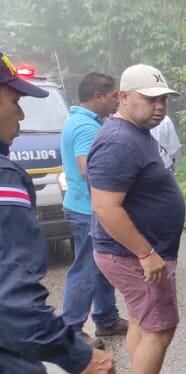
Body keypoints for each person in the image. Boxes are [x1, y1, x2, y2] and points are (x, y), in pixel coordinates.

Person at [1, 50, 116, 374]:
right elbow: (11, 300)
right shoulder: (4, 178)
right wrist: (76, 355)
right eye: (14, 101)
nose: (20, 114)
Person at [88, 64, 186, 374]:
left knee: (144, 323)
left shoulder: (136, 131)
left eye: (163, 99)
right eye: (150, 98)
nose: (159, 106)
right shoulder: (117, 141)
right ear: (124, 98)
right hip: (131, 254)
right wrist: (146, 253)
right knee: (160, 327)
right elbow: (106, 208)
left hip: (136, 252)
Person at [58, 72, 127, 350]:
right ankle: (72, 330)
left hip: (83, 205)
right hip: (87, 209)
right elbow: (90, 168)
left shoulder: (79, 120)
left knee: (99, 265)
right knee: (86, 268)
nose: (115, 101)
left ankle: (106, 318)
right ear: (98, 97)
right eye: (113, 96)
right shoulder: (86, 127)